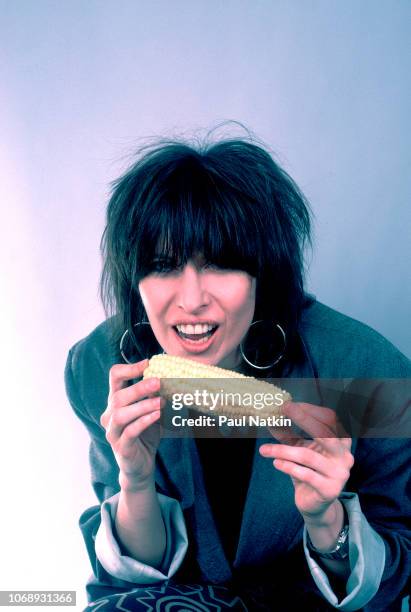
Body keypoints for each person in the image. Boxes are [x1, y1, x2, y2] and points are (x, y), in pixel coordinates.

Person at [65, 136, 410, 611]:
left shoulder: (366, 371)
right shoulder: (99, 367)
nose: (191, 301)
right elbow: (138, 575)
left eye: (222, 264)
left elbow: (401, 569)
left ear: (262, 273)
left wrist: (327, 518)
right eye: (162, 266)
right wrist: (136, 481)